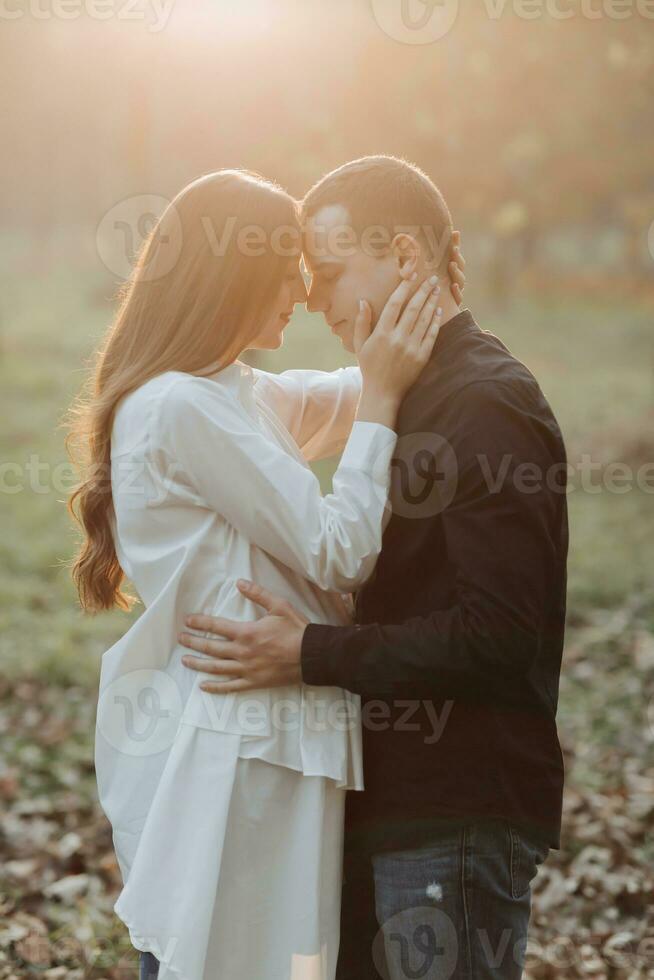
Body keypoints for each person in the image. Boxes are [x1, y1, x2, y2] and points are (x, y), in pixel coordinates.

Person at [66, 166, 466, 980]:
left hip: (275, 738)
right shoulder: (178, 405)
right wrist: (386, 399)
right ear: (233, 277)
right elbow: (338, 547)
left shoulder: (233, 392)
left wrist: (426, 319)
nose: (308, 293)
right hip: (238, 753)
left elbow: (353, 388)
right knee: (223, 959)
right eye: (291, 274)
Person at [180, 155, 569, 980]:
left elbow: (497, 634)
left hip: (457, 807)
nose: (314, 298)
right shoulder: (402, 395)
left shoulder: (485, 401)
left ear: (403, 256)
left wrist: (309, 652)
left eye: (328, 273)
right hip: (386, 803)